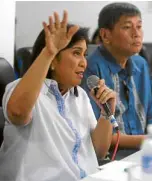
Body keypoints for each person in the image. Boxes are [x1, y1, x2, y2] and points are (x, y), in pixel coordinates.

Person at [0, 11, 116, 181]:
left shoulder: (81, 96)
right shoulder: (20, 88)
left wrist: (106, 114)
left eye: (85, 55)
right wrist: (48, 52)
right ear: (53, 60)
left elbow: (98, 151)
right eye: (76, 53)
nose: (84, 62)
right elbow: (18, 113)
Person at [81, 2, 152, 156]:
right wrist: (148, 140)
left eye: (139, 26)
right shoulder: (90, 70)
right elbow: (93, 134)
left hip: (145, 151)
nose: (136, 33)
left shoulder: (141, 64)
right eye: (127, 27)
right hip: (110, 157)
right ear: (105, 35)